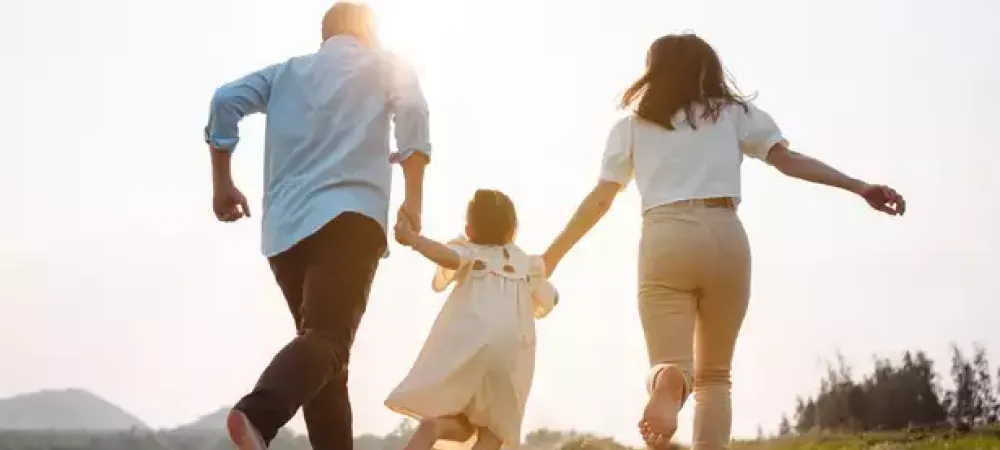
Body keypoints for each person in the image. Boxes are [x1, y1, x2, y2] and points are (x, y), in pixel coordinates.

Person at [541, 33, 905, 450]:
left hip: (665, 235)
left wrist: (552, 255)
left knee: (670, 361)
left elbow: (602, 199)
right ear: (707, 70)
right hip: (725, 234)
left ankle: (669, 379)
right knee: (716, 376)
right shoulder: (734, 114)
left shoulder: (632, 127)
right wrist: (859, 186)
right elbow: (788, 161)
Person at [201, 2, 432, 449]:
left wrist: (223, 183)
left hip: (285, 233)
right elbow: (415, 115)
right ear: (369, 31)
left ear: (323, 35)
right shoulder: (386, 65)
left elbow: (224, 100)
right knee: (327, 340)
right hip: (350, 217)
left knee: (326, 361)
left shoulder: (285, 73)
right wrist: (415, 200)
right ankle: (257, 416)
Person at [385, 189, 559, 450]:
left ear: (469, 229)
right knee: (493, 431)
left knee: (458, 418)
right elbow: (551, 299)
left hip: (467, 343)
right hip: (508, 353)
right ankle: (448, 429)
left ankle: (435, 427)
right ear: (513, 231)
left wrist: (413, 239)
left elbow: (447, 257)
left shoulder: (469, 251)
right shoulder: (526, 264)